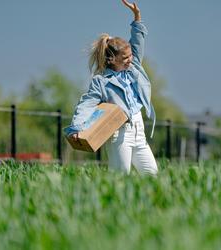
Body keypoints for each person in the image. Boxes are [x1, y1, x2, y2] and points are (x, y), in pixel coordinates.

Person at [65, 0, 158, 175]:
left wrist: (137, 17)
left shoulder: (133, 68)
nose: (130, 60)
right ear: (112, 60)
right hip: (120, 134)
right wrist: (76, 127)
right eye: (125, 58)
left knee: (151, 173)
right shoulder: (101, 81)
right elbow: (86, 104)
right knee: (120, 176)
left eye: (131, 56)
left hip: (139, 132)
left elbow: (138, 41)